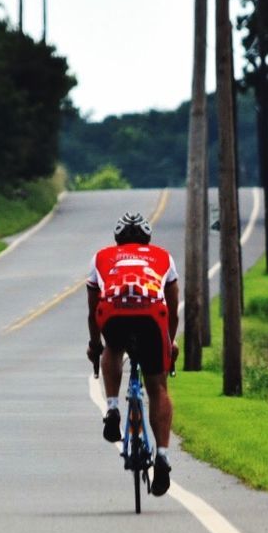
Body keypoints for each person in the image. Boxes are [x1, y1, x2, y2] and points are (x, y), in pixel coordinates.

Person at [86, 212, 180, 496]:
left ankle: (112, 408)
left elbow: (93, 313)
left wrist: (95, 345)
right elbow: (173, 309)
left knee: (112, 347)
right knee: (157, 387)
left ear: (117, 240)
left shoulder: (101, 257)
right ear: (148, 239)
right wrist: (170, 343)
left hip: (113, 312)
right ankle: (162, 456)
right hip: (153, 315)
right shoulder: (163, 257)